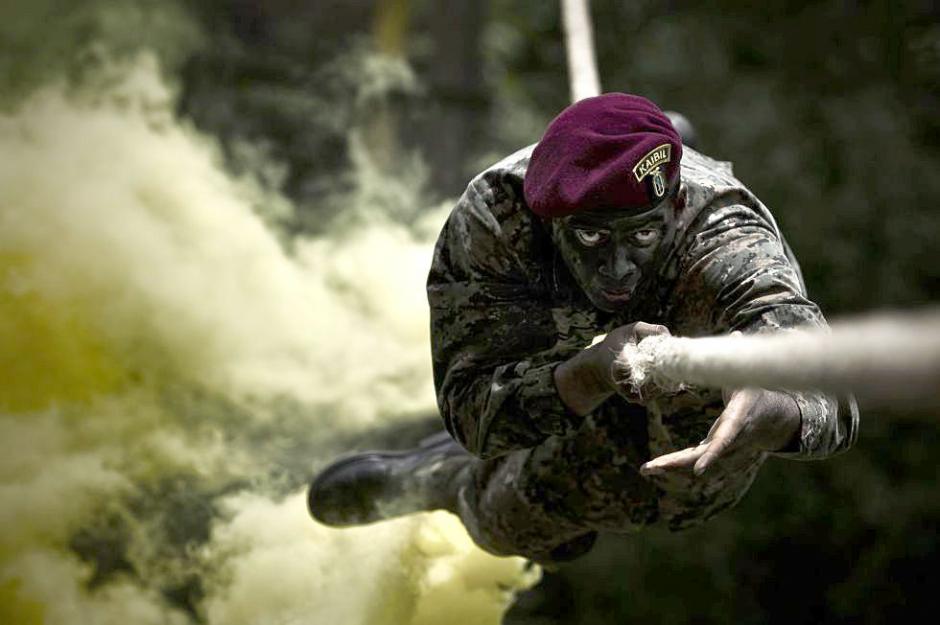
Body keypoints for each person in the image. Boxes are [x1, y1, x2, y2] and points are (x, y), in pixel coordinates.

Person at [308, 93, 858, 565]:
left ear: (676, 205)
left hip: (687, 400)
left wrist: (773, 413)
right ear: (548, 221)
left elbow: (833, 398)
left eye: (641, 236)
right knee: (502, 523)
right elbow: (472, 411)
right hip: (553, 348)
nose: (618, 268)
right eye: (593, 238)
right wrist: (590, 374)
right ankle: (442, 481)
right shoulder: (495, 222)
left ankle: (665, 144)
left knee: (656, 500)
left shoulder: (725, 238)